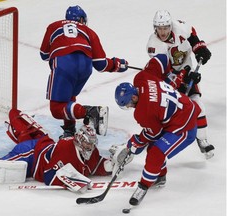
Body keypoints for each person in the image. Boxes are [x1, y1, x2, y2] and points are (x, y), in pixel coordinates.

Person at [0, 109, 124, 193]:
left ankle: (22, 126)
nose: (90, 148)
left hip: (43, 143)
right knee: (1, 168)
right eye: (87, 145)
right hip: (31, 154)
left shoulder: (89, 151)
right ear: (78, 141)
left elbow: (96, 165)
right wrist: (72, 180)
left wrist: (112, 164)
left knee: (33, 138)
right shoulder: (65, 149)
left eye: (92, 145)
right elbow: (47, 176)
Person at [113, 56, 201, 206]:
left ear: (134, 97)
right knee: (154, 147)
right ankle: (159, 177)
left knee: (156, 152)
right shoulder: (142, 78)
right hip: (183, 109)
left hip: (184, 126)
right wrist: (170, 75)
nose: (129, 107)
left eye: (128, 104)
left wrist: (135, 143)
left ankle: (144, 186)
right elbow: (161, 59)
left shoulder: (142, 112)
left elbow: (153, 133)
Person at [40, 5, 129, 138]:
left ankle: (90, 111)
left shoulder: (54, 26)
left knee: (56, 108)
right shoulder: (88, 31)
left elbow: (44, 54)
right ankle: (69, 130)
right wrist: (117, 64)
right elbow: (100, 64)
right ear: (82, 20)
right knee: (69, 98)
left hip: (64, 63)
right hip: (85, 66)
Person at [146, 10, 214, 159]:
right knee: (170, 114)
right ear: (155, 27)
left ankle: (202, 139)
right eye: (159, 28)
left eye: (165, 27)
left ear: (170, 25)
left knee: (199, 107)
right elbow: (165, 72)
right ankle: (157, 140)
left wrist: (199, 49)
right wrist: (184, 78)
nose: (162, 32)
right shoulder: (154, 45)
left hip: (186, 70)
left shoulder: (180, 27)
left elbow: (193, 36)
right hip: (168, 80)